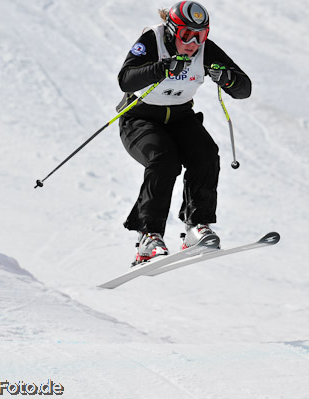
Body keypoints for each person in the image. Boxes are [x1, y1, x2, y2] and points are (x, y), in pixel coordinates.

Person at [117, 1, 252, 265]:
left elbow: (244, 88)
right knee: (163, 160)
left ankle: (196, 228)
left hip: (180, 116)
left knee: (206, 153)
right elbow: (126, 79)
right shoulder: (152, 40)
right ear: (171, 30)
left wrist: (227, 78)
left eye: (200, 35)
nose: (193, 42)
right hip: (140, 117)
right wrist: (162, 68)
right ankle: (149, 237)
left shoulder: (204, 50)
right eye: (186, 34)